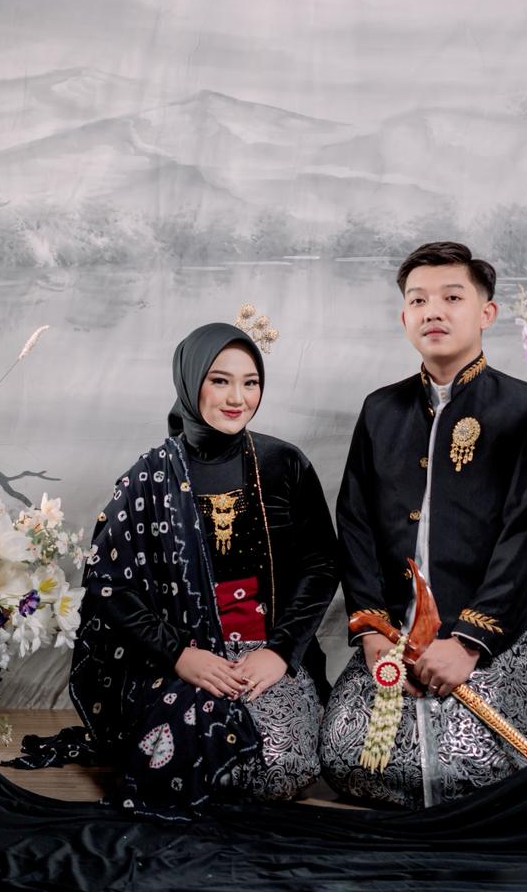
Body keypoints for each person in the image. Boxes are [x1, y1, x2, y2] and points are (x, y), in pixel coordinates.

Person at [320, 242, 527, 808]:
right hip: (397, 626)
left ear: (486, 312)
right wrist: (374, 632)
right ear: (403, 317)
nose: (433, 311)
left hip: (489, 623)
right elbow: (354, 524)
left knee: (468, 770)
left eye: (452, 298)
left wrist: (469, 643)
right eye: (418, 300)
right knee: (347, 755)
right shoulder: (380, 409)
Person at [70, 321, 339, 818]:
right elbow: (108, 585)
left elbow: (321, 563)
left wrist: (280, 653)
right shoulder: (149, 477)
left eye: (250, 382)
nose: (237, 398)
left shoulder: (284, 464)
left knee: (280, 767)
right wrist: (179, 655)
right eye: (220, 380)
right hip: (179, 655)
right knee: (196, 754)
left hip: (266, 651)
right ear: (190, 380)